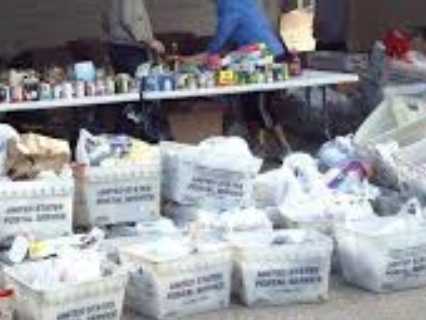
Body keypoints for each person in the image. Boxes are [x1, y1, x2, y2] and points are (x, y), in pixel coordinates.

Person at [187, 0, 288, 64]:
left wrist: (211, 51)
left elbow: (225, 30)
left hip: (263, 53)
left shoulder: (228, 3)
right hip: (271, 50)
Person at [103, 0, 165, 75]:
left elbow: (105, 20)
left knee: (124, 83)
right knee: (140, 82)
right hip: (130, 49)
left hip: (117, 46)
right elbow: (130, 20)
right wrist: (149, 41)